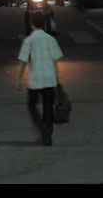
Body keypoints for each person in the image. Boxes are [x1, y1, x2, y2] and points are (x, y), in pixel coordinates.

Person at [17, 12, 64, 146]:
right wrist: (57, 78)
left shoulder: (29, 40)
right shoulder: (51, 39)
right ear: (45, 24)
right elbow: (56, 60)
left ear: (31, 24)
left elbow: (23, 61)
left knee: (32, 104)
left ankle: (41, 127)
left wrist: (19, 79)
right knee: (47, 107)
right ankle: (47, 135)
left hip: (35, 79)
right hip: (49, 78)